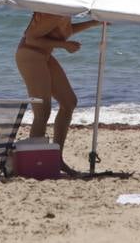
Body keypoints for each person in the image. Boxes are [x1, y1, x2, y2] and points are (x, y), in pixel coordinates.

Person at [14, 10, 101, 175]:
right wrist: (65, 45)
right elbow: (31, 38)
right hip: (29, 54)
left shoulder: (64, 11)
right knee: (42, 111)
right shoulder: (55, 11)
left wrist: (93, 23)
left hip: (43, 55)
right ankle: (35, 162)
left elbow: (62, 32)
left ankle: (56, 158)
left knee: (69, 102)